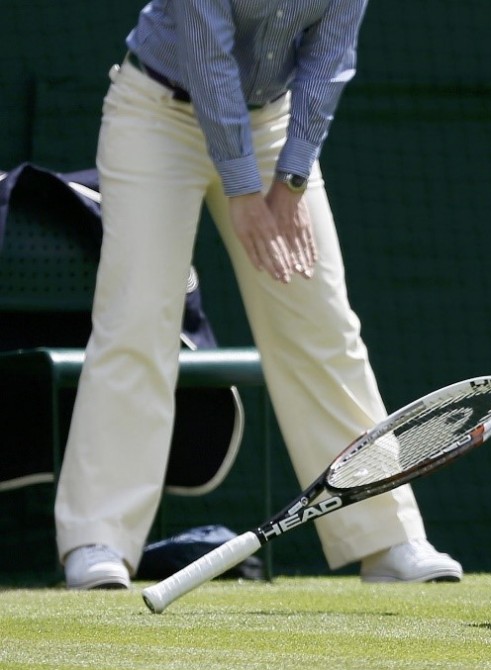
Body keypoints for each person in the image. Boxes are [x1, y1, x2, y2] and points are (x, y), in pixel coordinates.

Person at [56, 0, 462, 590]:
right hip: (155, 115)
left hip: (272, 125)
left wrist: (291, 177)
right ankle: (98, 539)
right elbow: (206, 51)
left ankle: (387, 536)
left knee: (323, 328)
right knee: (137, 317)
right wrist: (246, 189)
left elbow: (328, 61)